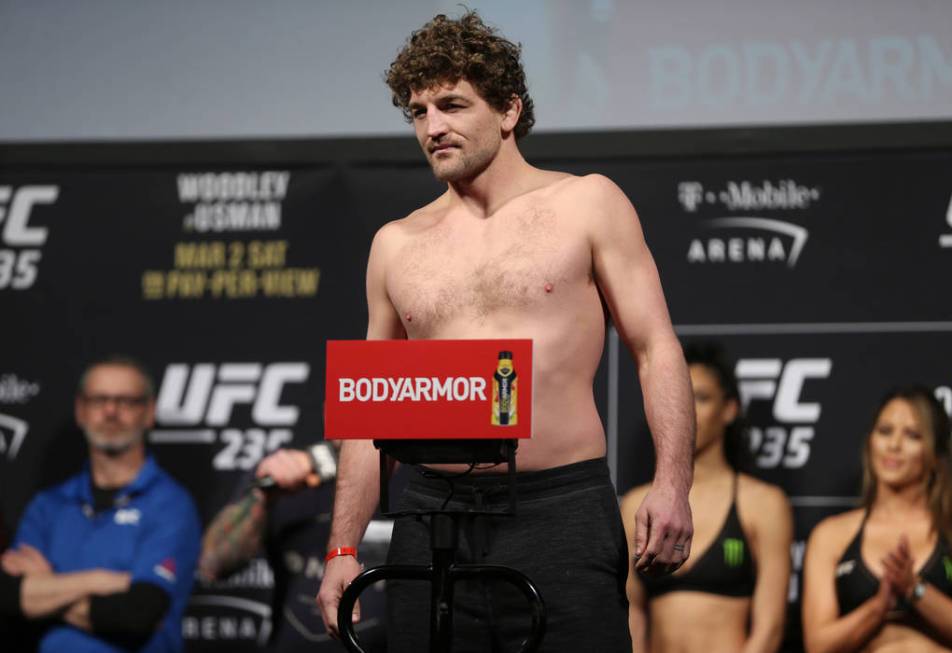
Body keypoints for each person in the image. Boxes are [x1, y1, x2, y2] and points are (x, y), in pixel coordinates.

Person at [316, 10, 694, 652]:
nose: (433, 127)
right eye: (418, 111)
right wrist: (342, 548)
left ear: (509, 110)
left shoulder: (587, 203)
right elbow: (367, 412)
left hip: (560, 508)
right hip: (430, 512)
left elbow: (655, 345)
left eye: (453, 105)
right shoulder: (396, 244)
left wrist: (673, 483)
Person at [0, 355, 201, 653]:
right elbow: (9, 600)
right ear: (80, 411)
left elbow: (136, 615)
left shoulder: (171, 506)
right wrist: (101, 581)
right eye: (99, 400)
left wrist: (46, 587)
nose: (110, 411)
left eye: (126, 401)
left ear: (149, 413)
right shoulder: (48, 506)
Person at [621, 343, 793, 652]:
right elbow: (631, 611)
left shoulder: (763, 503)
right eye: (679, 398)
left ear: (729, 409)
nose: (687, 410)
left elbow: (771, 627)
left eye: (701, 398)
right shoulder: (637, 504)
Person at [803, 386, 952, 652]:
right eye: (885, 431)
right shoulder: (831, 535)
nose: (894, 445)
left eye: (912, 435)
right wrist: (878, 607)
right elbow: (818, 646)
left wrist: (915, 590)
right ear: (870, 442)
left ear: (935, 454)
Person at [198, 443, 387, 652]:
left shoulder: (411, 472)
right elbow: (212, 563)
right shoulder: (287, 467)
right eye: (334, 408)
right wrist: (262, 495)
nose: (344, 411)